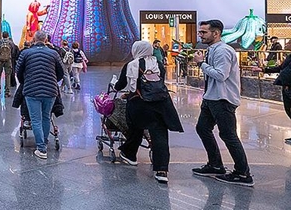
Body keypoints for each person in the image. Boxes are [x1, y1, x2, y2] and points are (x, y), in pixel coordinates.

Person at [192, 20, 253, 186]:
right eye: (200, 32)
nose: (200, 35)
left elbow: (221, 75)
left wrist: (201, 63)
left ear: (216, 33)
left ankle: (243, 173)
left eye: (204, 32)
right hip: (211, 97)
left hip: (222, 99)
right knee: (202, 128)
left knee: (228, 135)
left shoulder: (223, 51)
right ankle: (215, 165)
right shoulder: (212, 50)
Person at [113, 41, 183, 183]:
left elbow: (120, 85)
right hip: (161, 104)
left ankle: (130, 155)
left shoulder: (131, 65)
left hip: (140, 104)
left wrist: (116, 86)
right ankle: (162, 170)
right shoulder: (158, 64)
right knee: (160, 135)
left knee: (135, 129)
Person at [16, 30, 65, 160]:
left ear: (34, 39)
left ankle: (41, 148)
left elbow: (18, 72)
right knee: (46, 117)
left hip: (31, 90)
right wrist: (53, 81)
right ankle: (44, 142)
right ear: (45, 40)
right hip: (50, 91)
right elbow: (61, 72)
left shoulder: (26, 53)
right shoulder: (54, 53)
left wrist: (25, 82)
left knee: (35, 119)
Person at [260, 51, 291, 144]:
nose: (288, 43)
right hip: (286, 87)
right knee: (288, 110)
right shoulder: (290, 57)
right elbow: (281, 68)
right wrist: (264, 70)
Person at [0, 32, 18, 97]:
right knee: (8, 75)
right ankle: (7, 91)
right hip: (8, 60)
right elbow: (13, 51)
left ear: (2, 36)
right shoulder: (11, 43)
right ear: (8, 36)